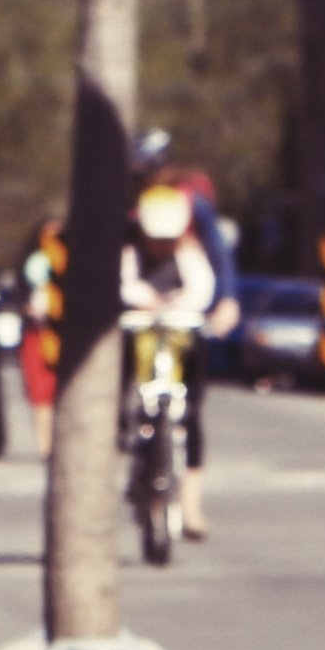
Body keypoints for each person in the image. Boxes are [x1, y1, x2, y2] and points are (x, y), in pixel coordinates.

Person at [115, 170, 240, 538]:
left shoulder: (192, 235)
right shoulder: (129, 240)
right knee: (125, 386)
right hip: (140, 332)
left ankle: (190, 506)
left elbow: (209, 275)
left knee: (191, 411)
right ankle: (130, 438)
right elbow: (120, 281)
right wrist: (141, 301)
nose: (162, 246)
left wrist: (218, 305)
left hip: (181, 331)